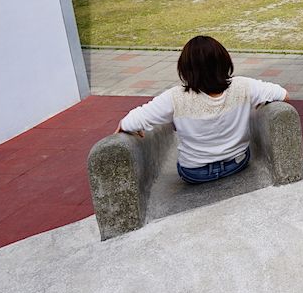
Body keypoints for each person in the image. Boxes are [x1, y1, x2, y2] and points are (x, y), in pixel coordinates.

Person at [116, 35, 289, 184]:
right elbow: (284, 95)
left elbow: (131, 121)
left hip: (194, 173)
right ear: (224, 61)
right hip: (237, 163)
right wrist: (260, 102)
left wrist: (126, 126)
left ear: (185, 69)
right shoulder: (243, 86)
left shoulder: (174, 97)